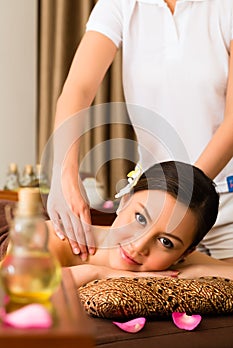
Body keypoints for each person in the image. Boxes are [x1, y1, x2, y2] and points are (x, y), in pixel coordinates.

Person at [47, 0, 233, 263]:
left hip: (225, 203)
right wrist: (62, 175)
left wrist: (178, 199)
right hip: (149, 210)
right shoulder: (123, 4)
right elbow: (79, 89)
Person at [46, 161, 233, 288]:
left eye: (165, 242)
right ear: (125, 200)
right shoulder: (54, 238)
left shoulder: (175, 264)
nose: (139, 245)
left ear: (184, 254)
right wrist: (98, 273)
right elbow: (21, 285)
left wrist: (193, 273)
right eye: (140, 219)